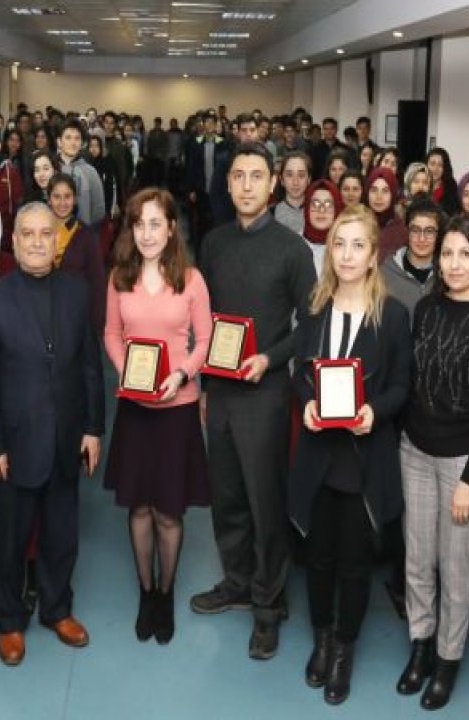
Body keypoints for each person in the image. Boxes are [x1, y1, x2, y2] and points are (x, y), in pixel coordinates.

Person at [0, 201, 105, 667]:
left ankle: (56, 609)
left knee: (62, 533)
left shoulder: (77, 292)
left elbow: (90, 367)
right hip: (13, 444)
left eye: (46, 233)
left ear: (56, 240)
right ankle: (8, 620)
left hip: (67, 438)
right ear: (14, 240)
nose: (37, 242)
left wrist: (92, 428)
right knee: (10, 538)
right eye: (27, 234)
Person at [191, 143, 315, 660]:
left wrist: (270, 359)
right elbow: (202, 322)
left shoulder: (293, 249)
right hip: (218, 392)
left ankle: (269, 605)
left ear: (273, 185)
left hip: (264, 391)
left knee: (266, 504)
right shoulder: (214, 243)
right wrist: (199, 385)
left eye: (256, 176)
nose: (245, 185)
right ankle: (238, 582)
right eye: (238, 175)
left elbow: (310, 325)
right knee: (227, 497)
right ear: (228, 184)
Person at [289, 205, 411, 706]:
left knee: (355, 563)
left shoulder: (394, 315)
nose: (347, 254)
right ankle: (321, 639)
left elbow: (403, 386)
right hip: (319, 453)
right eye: (339, 243)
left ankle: (344, 648)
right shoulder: (315, 307)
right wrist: (308, 403)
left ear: (374, 254)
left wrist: (374, 413)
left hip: (364, 457)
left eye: (358, 245)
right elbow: (300, 373)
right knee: (318, 558)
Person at [397, 216, 469, 711]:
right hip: (415, 452)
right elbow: (410, 380)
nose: (454, 263)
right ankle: (421, 646)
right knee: (418, 560)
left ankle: (448, 661)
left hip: (465, 461)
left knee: (455, 567)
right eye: (447, 253)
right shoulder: (424, 309)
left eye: (466, 254)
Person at [103, 187, 212, 645]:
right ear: (130, 229)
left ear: (171, 228)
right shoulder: (118, 278)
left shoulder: (191, 279)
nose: (146, 233)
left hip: (176, 408)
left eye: (155, 224)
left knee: (168, 510)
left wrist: (183, 375)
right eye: (138, 224)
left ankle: (165, 593)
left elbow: (205, 341)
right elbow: (111, 333)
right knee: (139, 507)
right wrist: (125, 368)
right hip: (134, 408)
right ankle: (145, 592)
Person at [47, 173, 107, 334]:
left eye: (67, 197)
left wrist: (97, 323)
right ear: (49, 200)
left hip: (78, 317)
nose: (62, 202)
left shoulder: (86, 235)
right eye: (56, 197)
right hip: (45, 316)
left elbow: (98, 282)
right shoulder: (41, 233)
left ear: (74, 200)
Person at [382, 197, 441, 316]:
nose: (422, 239)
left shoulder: (446, 275)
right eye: (415, 230)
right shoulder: (385, 273)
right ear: (407, 231)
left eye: (429, 231)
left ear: (438, 234)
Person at [184, 112, 232, 248]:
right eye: (207, 123)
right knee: (201, 222)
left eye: (212, 123)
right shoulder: (196, 143)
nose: (210, 125)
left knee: (217, 220)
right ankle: (201, 248)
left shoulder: (223, 143)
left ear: (216, 125)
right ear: (203, 125)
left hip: (218, 190)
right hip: (201, 189)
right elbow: (191, 167)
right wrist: (191, 189)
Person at [56, 120, 107, 229]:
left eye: (77, 138)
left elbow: (98, 210)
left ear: (82, 143)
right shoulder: (51, 169)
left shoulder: (90, 172)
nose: (73, 142)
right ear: (59, 142)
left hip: (82, 235)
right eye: (68, 137)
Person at [364, 167, 407, 261]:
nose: (379, 197)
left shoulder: (400, 233)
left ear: (393, 194)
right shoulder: (358, 225)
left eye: (385, 191)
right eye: (374, 190)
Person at [304, 179, 342, 276]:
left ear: (337, 209)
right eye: (315, 204)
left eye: (328, 204)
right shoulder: (294, 245)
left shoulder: (346, 248)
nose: (321, 210)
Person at [273, 151, 311, 236]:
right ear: (282, 180)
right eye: (289, 175)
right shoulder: (270, 215)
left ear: (308, 179)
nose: (295, 182)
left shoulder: (317, 213)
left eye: (301, 175)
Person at [88, 135, 119, 219]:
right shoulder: (87, 164)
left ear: (101, 147)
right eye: (91, 146)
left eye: (96, 146)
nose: (93, 149)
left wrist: (113, 206)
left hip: (105, 206)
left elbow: (113, 187)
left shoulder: (107, 163)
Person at [426, 147, 460, 217]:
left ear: (445, 168)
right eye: (432, 164)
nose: (436, 168)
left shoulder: (451, 188)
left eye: (440, 165)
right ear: (426, 165)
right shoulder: (420, 185)